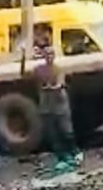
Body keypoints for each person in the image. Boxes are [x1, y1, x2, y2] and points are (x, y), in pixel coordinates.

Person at [32, 31, 82, 174]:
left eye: (51, 54)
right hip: (46, 106)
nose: (49, 57)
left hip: (60, 105)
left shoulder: (59, 69)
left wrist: (54, 87)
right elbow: (25, 76)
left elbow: (60, 82)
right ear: (43, 56)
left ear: (54, 56)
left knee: (66, 131)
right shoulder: (38, 69)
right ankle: (62, 159)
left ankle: (75, 153)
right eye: (47, 55)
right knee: (53, 134)